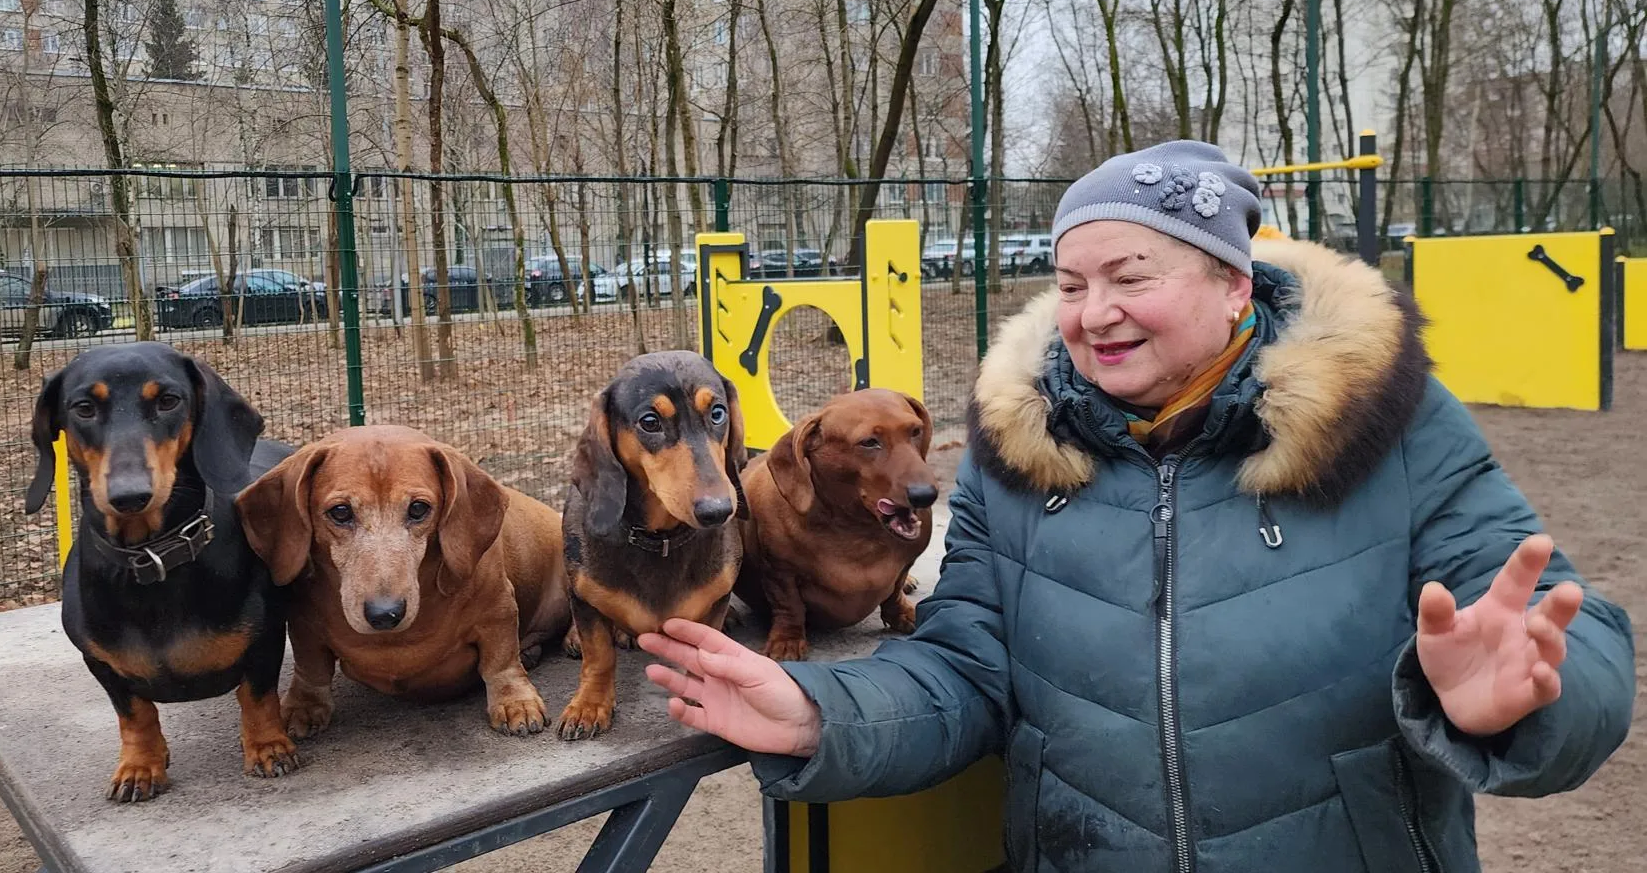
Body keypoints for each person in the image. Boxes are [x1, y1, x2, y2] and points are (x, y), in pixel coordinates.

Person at [640, 140, 1636, 873]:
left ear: (1235, 287)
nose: (1094, 311)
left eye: (1132, 276)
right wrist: (822, 713)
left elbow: (1561, 623)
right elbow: (966, 670)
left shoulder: (1391, 421)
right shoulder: (1017, 454)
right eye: (1071, 282)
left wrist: (1527, 697)